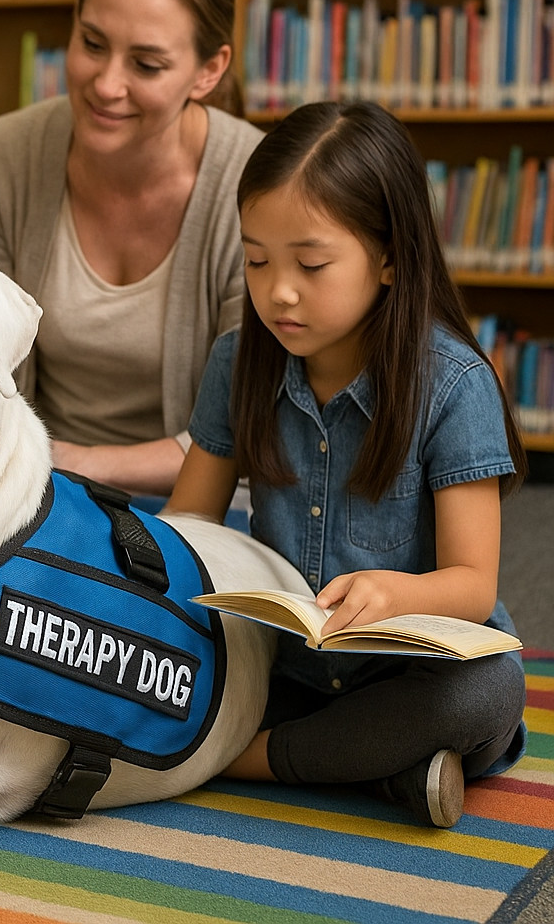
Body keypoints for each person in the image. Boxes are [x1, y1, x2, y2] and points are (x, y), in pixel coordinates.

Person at [164, 101, 529, 828]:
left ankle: (244, 759)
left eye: (311, 264)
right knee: (146, 658)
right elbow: (188, 526)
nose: (279, 290)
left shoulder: (454, 384)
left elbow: (472, 584)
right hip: (287, 665)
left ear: (389, 258)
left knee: (485, 696)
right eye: (257, 259)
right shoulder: (239, 362)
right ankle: (388, 773)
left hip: (413, 668)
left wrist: (395, 595)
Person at [0, 0, 264, 498]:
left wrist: (75, 462)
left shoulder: (256, 183)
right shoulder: (4, 156)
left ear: (209, 71)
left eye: (146, 65)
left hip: (204, 502)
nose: (105, 84)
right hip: (26, 488)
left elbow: (251, 426)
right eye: (92, 44)